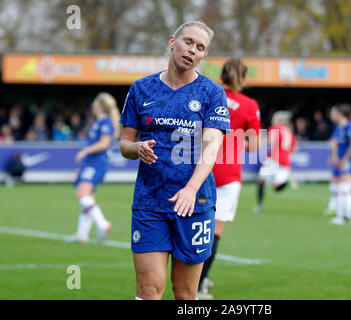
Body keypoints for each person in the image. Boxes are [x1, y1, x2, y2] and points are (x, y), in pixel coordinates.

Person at [119, 20, 230, 300]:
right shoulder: (141, 89)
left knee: (184, 293)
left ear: (204, 56)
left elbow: (211, 146)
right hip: (150, 201)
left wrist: (191, 189)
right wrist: (137, 148)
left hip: (195, 202)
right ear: (172, 42)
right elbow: (124, 144)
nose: (192, 50)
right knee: (149, 289)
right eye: (188, 42)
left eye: (201, 47)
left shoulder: (212, 93)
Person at [197, 58, 261, 299]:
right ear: (243, 78)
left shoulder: (209, 93)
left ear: (221, 75)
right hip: (228, 174)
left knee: (195, 227)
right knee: (214, 233)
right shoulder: (249, 105)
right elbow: (254, 146)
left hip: (202, 169)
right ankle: (199, 285)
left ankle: (193, 278)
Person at [66, 92, 121, 243]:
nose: (92, 106)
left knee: (81, 196)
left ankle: (103, 224)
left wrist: (84, 152)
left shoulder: (105, 123)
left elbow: (104, 143)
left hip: (96, 163)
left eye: (95, 103)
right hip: (90, 163)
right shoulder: (99, 122)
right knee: (88, 197)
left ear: (100, 105)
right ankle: (81, 235)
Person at [254, 110, 296, 213]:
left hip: (274, 159)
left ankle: (259, 205)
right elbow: (294, 149)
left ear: (279, 120)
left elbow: (269, 141)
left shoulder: (275, 129)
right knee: (276, 187)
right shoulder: (289, 131)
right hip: (285, 161)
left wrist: (259, 141)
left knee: (260, 180)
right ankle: (285, 181)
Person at [325, 104, 351, 225]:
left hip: (347, 161)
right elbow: (334, 143)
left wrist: (345, 159)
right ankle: (340, 215)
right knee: (338, 188)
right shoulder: (338, 127)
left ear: (339, 114)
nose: (331, 115)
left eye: (333, 113)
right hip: (339, 160)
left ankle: (347, 216)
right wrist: (333, 157)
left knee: (345, 188)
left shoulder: (349, 127)